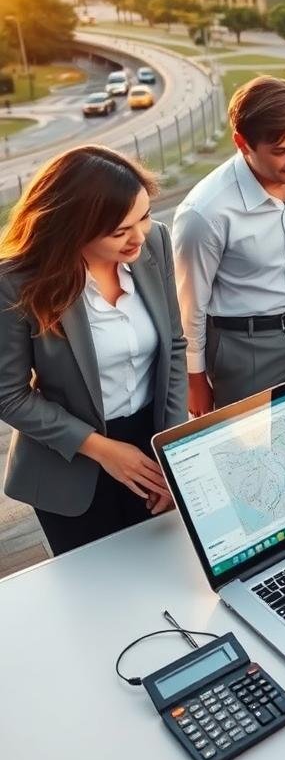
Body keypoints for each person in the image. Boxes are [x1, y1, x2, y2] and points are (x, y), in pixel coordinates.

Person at [0, 146, 186, 555]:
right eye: (120, 231)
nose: (139, 236)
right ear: (73, 229)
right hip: (68, 459)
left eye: (144, 216)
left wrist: (171, 450)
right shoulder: (16, 282)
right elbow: (8, 395)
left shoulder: (154, 243)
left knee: (164, 574)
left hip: (151, 442)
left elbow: (174, 346)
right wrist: (101, 449)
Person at [172, 76, 285, 413]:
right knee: (250, 456)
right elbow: (190, 306)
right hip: (241, 350)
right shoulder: (204, 213)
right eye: (281, 151)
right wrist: (194, 378)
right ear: (242, 143)